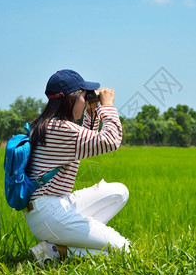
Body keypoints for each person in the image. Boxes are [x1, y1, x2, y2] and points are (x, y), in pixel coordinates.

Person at [24, 69, 130, 267]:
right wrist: (107, 106)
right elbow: (110, 141)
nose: (86, 99)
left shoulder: (49, 126)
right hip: (50, 212)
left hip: (53, 206)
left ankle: (73, 240)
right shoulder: (61, 129)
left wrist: (92, 112)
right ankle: (57, 252)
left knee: (119, 192)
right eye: (84, 95)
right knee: (125, 251)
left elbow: (85, 141)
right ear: (71, 99)